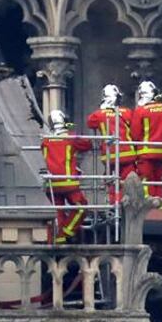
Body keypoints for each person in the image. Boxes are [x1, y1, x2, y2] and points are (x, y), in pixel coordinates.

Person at [41, 109, 93, 244]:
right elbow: (87, 144)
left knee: (56, 213)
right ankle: (66, 233)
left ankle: (55, 239)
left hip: (51, 183)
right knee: (81, 208)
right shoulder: (70, 138)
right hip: (68, 182)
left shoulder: (46, 141)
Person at [86, 84, 136, 204]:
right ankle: (127, 205)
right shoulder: (128, 112)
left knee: (112, 182)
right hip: (128, 153)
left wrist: (102, 109)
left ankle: (114, 204)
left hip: (110, 155)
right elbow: (135, 129)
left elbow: (90, 122)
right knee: (129, 181)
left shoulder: (99, 114)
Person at [130, 81, 162, 201]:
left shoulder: (141, 110)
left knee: (146, 179)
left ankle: (148, 206)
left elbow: (135, 133)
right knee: (158, 179)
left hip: (145, 151)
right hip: (161, 151)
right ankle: (160, 206)